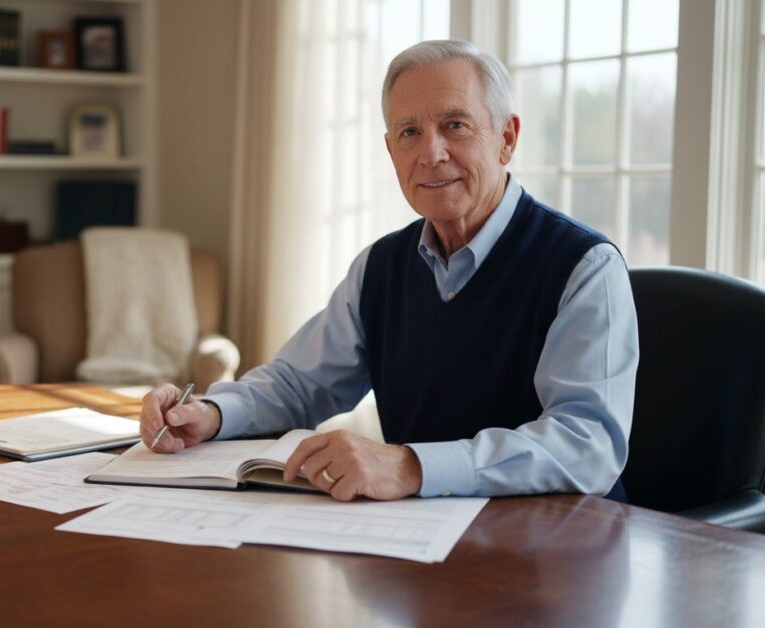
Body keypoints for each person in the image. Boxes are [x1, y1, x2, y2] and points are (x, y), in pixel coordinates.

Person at [140, 39, 639, 502]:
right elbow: (298, 385)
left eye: (455, 125)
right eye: (409, 132)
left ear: (507, 138)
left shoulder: (585, 267)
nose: (430, 153)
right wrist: (209, 412)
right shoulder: (380, 267)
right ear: (391, 151)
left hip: (557, 554)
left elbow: (587, 444)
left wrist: (412, 467)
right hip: (417, 545)